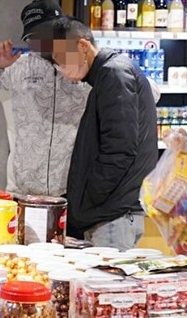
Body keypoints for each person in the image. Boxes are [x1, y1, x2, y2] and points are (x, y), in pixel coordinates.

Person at [45, 16, 158, 249]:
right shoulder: (109, 74)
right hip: (112, 212)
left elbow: (119, 149)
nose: (61, 70)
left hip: (112, 215)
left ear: (83, 46)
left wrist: (91, 197)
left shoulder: (114, 74)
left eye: (62, 60)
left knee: (109, 283)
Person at [0, 0, 90, 199]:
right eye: (36, 36)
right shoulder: (15, 69)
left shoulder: (87, 68)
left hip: (75, 192)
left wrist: (92, 62)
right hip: (22, 193)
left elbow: (146, 93)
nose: (44, 41)